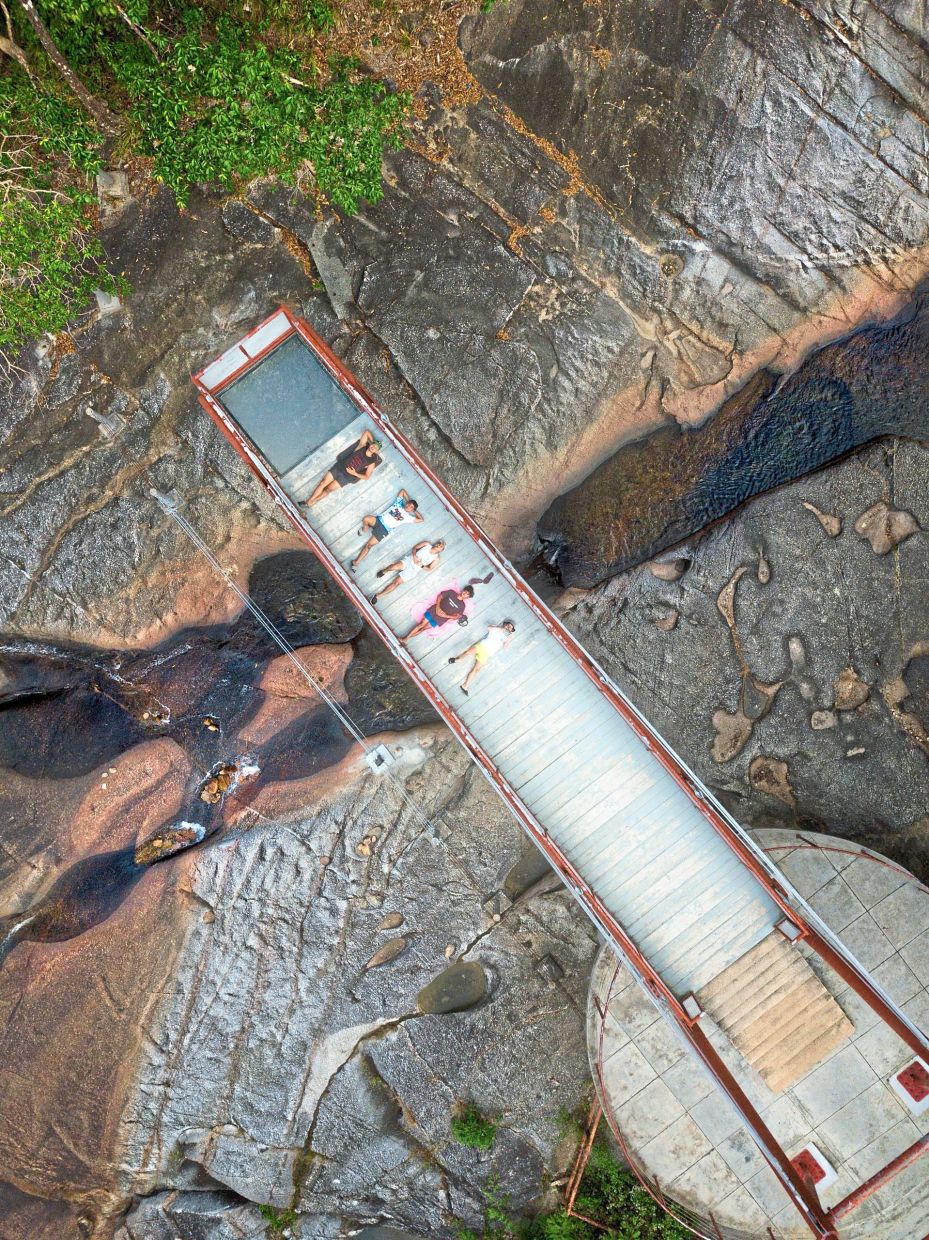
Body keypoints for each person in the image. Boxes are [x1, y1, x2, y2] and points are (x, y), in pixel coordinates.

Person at [303, 429, 382, 506]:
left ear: (377, 451)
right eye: (373, 445)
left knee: (328, 489)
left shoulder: (371, 462)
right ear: (371, 444)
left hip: (347, 477)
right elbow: (366, 432)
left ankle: (313, 502)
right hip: (340, 467)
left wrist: (355, 473)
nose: (373, 447)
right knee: (323, 483)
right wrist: (373, 442)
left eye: (376, 447)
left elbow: (366, 477)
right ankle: (308, 501)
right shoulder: (362, 446)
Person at [350, 489, 424, 570]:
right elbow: (402, 491)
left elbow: (421, 520)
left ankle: (356, 562)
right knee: (366, 519)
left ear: (412, 510)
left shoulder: (408, 517)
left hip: (384, 530)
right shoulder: (399, 503)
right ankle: (365, 529)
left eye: (411, 507)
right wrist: (408, 501)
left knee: (369, 545)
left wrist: (415, 511)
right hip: (378, 520)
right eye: (409, 504)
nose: (409, 506)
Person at [448, 620, 516, 695]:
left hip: (487, 653)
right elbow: (489, 627)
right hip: (482, 646)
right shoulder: (496, 628)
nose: (509, 628)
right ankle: (459, 659)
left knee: (476, 669)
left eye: (511, 628)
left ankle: (465, 686)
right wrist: (501, 629)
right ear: (505, 624)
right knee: (468, 652)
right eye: (509, 626)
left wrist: (509, 639)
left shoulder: (505, 638)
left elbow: (505, 647)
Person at [370, 540, 446, 605]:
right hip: (409, 560)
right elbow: (415, 548)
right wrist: (414, 556)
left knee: (396, 583)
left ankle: (377, 596)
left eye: (441, 546)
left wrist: (422, 566)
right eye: (439, 543)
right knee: (393, 567)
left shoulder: (436, 558)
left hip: (414, 570)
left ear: (441, 550)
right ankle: (384, 571)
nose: (439, 545)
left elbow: (429, 569)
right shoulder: (427, 544)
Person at [401, 585, 475, 644]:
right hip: (433, 610)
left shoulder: (462, 606)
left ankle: (406, 639)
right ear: (463, 590)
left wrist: (445, 616)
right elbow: (440, 596)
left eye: (467, 594)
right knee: (421, 624)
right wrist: (438, 607)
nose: (465, 594)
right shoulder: (452, 592)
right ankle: (405, 638)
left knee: (423, 629)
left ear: (468, 597)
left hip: (440, 619)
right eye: (465, 591)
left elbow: (456, 617)